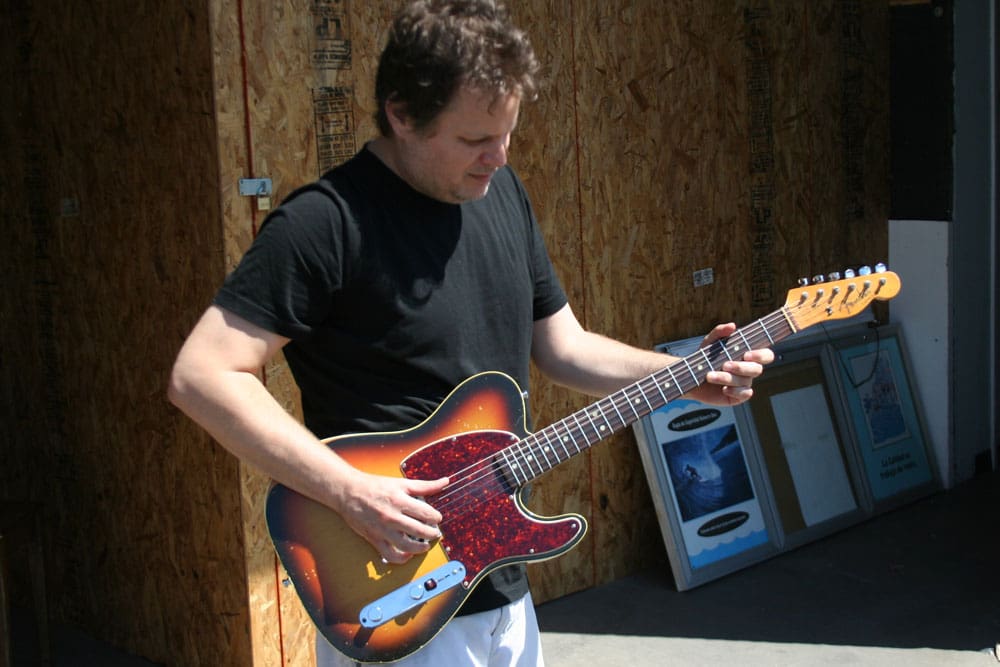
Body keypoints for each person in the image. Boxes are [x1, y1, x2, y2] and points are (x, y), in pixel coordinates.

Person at [167, 1, 774, 665]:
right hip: (392, 596)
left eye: (507, 132)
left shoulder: (502, 193)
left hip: (499, 587)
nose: (498, 156)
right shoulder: (324, 224)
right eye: (475, 139)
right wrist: (350, 491)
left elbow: (563, 347)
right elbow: (203, 375)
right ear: (402, 115)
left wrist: (683, 377)